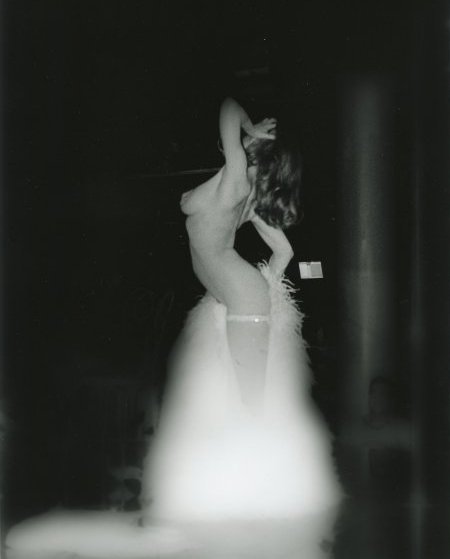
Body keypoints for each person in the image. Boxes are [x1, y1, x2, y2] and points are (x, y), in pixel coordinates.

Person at [5, 98, 342, 559]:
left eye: (246, 147)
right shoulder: (241, 188)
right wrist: (263, 285)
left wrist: (249, 129)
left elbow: (227, 106)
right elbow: (283, 253)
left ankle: (254, 505)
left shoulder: (238, 176)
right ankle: (238, 502)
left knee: (248, 399)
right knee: (236, 398)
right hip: (240, 295)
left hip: (243, 298)